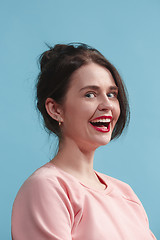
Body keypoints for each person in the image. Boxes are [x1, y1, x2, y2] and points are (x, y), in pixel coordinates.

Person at [11, 43, 156, 240]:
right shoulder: (46, 187)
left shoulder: (125, 193)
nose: (107, 105)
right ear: (55, 109)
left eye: (111, 94)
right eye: (90, 94)